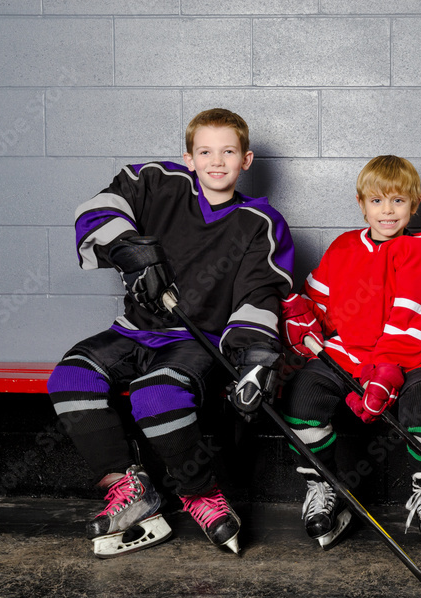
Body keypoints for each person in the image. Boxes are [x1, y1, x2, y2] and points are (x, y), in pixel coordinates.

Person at [47, 108, 294, 557]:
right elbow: (99, 207)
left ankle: (200, 494)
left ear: (247, 160)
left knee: (155, 395)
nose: (216, 161)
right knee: (70, 378)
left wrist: (256, 358)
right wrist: (126, 249)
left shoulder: (260, 221)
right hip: (134, 331)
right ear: (189, 157)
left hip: (195, 343)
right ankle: (131, 489)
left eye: (228, 152)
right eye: (205, 151)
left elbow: (261, 293)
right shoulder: (156, 182)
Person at [278, 155, 421, 553]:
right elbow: (320, 302)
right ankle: (324, 486)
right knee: (301, 399)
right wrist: (300, 315)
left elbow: (414, 316)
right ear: (362, 205)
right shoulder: (344, 246)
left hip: (414, 351)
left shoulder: (420, 248)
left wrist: (387, 369)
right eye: (377, 201)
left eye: (398, 201)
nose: (387, 210)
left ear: (415, 204)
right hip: (347, 353)